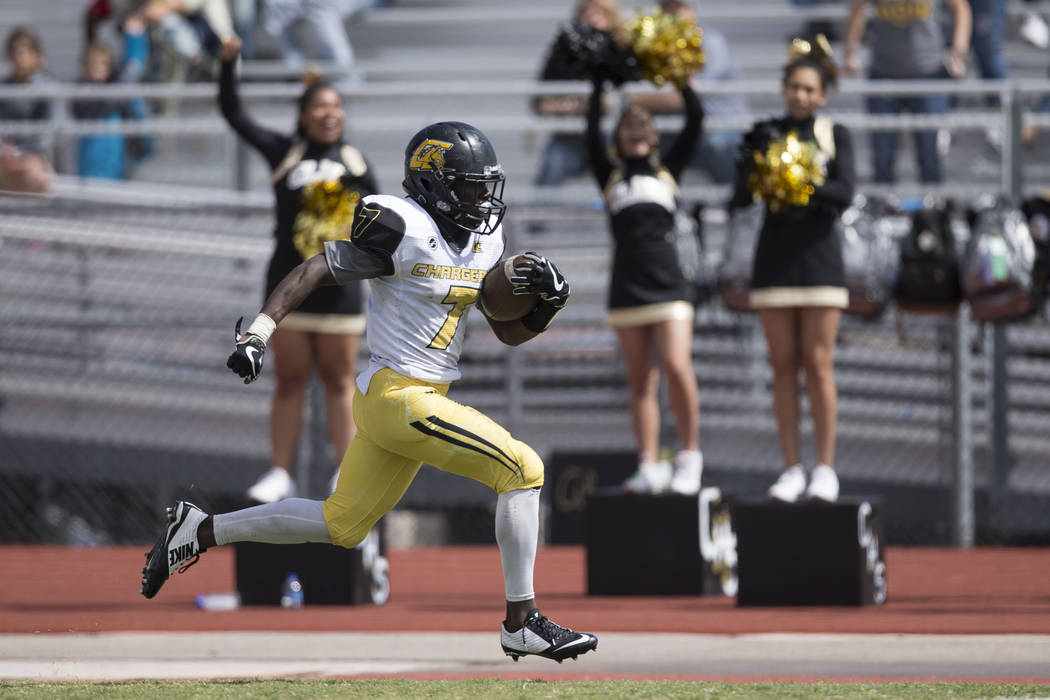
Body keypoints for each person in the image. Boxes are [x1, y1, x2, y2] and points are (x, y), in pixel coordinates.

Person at [138, 120, 599, 664]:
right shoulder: (401, 224)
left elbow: (506, 329)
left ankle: (199, 530)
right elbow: (314, 268)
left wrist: (545, 307)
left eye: (484, 187)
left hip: (412, 400)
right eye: (470, 186)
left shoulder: (483, 238)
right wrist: (259, 332)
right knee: (522, 470)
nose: (481, 199)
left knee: (341, 525)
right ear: (434, 183)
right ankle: (521, 622)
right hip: (400, 396)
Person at [218, 36, 379, 503]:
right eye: (320, 106)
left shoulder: (356, 160)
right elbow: (234, 114)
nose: (330, 113)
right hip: (289, 287)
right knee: (289, 379)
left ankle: (344, 474)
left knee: (338, 379)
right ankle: (280, 473)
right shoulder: (284, 152)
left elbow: (378, 219)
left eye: (337, 106)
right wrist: (230, 63)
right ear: (304, 114)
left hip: (341, 289)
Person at [729, 37, 855, 503]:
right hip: (775, 261)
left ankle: (825, 468)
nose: (800, 95)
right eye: (794, 87)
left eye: (809, 89)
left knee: (818, 364)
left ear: (821, 94)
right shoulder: (766, 132)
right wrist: (748, 165)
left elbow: (844, 193)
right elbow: (739, 201)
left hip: (820, 260)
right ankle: (790, 468)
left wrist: (801, 181)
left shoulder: (833, 133)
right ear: (784, 89)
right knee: (783, 366)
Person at [586, 64, 705, 495]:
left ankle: (690, 456)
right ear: (619, 137)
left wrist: (676, 70)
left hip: (668, 286)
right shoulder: (611, 177)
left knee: (676, 367)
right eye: (628, 125)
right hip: (626, 288)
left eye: (644, 125)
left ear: (654, 136)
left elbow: (696, 118)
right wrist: (601, 77)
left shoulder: (668, 169)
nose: (636, 131)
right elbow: (588, 129)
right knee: (640, 380)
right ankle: (649, 462)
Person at [843, 0, 971, 184]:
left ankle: (931, 207)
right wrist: (850, 52)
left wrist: (959, 51)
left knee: (929, 154)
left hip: (928, 75)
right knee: (882, 155)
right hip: (884, 74)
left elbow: (961, 7)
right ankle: (883, 207)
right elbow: (856, 8)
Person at [629, 0, 749, 185]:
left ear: (693, 11)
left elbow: (688, 96)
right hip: (680, 128)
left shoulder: (711, 41)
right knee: (646, 143)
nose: (675, 16)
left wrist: (640, 99)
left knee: (717, 144)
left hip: (720, 125)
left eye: (680, 8)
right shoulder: (656, 43)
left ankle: (733, 198)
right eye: (668, 10)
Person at [532, 0, 623, 187]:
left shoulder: (623, 49)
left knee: (624, 175)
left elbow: (621, 104)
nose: (592, 19)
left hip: (613, 138)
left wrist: (572, 104)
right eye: (587, 13)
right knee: (553, 166)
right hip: (572, 137)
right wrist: (589, 105)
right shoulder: (562, 52)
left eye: (600, 13)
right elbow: (542, 104)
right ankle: (538, 216)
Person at [73, 15, 152, 180]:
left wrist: (135, 37)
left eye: (102, 64)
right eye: (92, 64)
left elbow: (132, 70)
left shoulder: (116, 92)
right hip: (90, 164)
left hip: (116, 163)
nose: (97, 69)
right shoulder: (80, 93)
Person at [0, 27, 55, 195]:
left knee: (32, 174)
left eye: (25, 51)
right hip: (5, 156)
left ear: (36, 55)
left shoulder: (46, 88)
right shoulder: (4, 87)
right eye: (15, 51)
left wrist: (21, 154)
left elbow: (47, 131)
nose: (20, 57)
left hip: (33, 157)